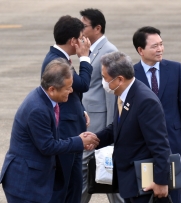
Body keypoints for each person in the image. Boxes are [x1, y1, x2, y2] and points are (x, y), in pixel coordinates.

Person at [0, 59, 99, 203]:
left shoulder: (47, 100)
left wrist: (79, 139)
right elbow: (48, 146)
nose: (71, 91)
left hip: (36, 179)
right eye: (68, 88)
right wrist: (79, 142)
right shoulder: (37, 109)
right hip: (25, 183)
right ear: (52, 89)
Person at [94, 51, 171, 203]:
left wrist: (162, 181)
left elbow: (160, 145)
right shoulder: (122, 94)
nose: (103, 82)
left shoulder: (145, 101)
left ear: (119, 79)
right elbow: (119, 126)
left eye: (105, 78)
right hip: (129, 181)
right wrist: (96, 139)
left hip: (143, 183)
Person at [133, 26, 181, 203]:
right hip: (141, 142)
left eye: (161, 44)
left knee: (172, 191)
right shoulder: (131, 74)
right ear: (140, 50)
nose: (159, 49)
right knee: (143, 192)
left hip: (172, 140)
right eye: (154, 46)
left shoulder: (175, 69)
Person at [41, 15, 93, 203]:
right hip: (65, 132)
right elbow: (82, 84)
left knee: (74, 185)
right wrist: (85, 58)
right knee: (65, 186)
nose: (83, 41)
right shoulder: (57, 63)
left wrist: (81, 110)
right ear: (73, 41)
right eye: (80, 38)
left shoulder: (61, 58)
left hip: (72, 129)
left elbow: (71, 93)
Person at [79, 8, 123, 203]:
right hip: (90, 123)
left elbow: (112, 94)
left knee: (97, 173)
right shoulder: (90, 49)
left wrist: (110, 133)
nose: (80, 28)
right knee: (103, 176)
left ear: (97, 28)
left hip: (100, 125)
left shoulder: (109, 52)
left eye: (84, 25)